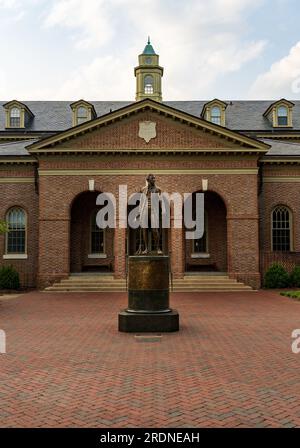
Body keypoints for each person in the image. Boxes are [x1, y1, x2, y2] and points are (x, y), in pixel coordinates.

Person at [136, 174, 163, 255]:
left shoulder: (158, 189)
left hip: (153, 211)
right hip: (144, 211)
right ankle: (146, 248)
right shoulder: (143, 190)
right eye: (152, 178)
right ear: (148, 180)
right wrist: (139, 212)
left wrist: (163, 210)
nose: (154, 179)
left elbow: (160, 201)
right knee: (144, 230)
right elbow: (141, 202)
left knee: (155, 230)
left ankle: (158, 248)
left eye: (154, 178)